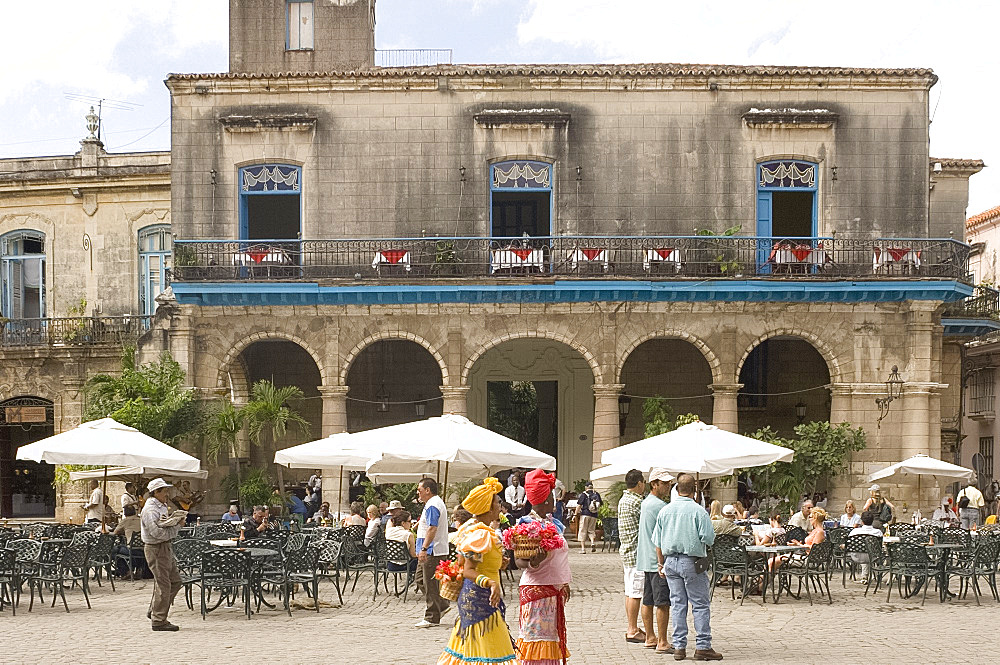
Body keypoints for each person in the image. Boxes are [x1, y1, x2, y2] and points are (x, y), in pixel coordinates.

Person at [437, 478, 514, 665]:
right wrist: (491, 583)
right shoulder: (481, 533)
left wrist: (498, 564)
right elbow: (467, 570)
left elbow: (476, 563)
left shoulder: (475, 529)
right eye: (497, 502)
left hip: (476, 597)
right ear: (488, 507)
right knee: (491, 649)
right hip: (480, 598)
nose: (499, 506)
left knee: (474, 650)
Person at [653, 473, 721, 661]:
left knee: (677, 604)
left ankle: (679, 647)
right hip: (692, 561)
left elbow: (657, 541)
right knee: (700, 604)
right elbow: (708, 538)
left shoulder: (665, 511)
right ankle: (703, 646)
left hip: (670, 562)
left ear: (676, 489)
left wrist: (661, 564)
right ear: (694, 490)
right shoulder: (699, 511)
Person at [514, 468, 571, 664]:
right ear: (546, 499)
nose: (555, 499)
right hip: (538, 593)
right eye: (553, 496)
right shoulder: (528, 525)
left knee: (547, 644)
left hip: (551, 592)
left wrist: (563, 583)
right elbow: (518, 559)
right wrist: (533, 562)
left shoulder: (551, 523)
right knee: (537, 644)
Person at [141, 477, 186, 631]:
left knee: (175, 581)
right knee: (163, 584)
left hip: (164, 547)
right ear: (156, 492)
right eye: (164, 491)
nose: (167, 493)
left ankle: (156, 610)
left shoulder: (160, 506)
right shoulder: (150, 510)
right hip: (156, 548)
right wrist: (176, 528)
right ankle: (159, 619)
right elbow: (156, 533)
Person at [637, 469, 672, 654]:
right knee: (662, 602)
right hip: (656, 560)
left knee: (648, 600)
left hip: (645, 558)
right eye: (664, 483)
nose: (668, 486)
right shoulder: (659, 506)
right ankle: (663, 641)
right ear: (654, 484)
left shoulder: (646, 503)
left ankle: (651, 637)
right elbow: (663, 536)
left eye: (668, 483)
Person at [617, 469, 646, 645]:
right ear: (640, 483)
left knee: (629, 592)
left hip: (627, 551)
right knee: (636, 593)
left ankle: (632, 626)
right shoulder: (637, 502)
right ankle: (632, 630)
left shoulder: (623, 500)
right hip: (636, 553)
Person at [416, 478, 450, 629]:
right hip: (430, 549)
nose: (418, 493)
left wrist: (424, 548)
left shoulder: (433, 505)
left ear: (427, 490)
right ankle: (441, 604)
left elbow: (432, 528)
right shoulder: (432, 504)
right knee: (420, 579)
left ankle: (432, 616)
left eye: (420, 490)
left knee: (429, 583)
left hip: (432, 549)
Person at [847, 510, 883, 580]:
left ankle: (864, 576)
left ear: (862, 521)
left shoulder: (854, 531)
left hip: (856, 557)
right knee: (868, 551)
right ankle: (876, 575)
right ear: (872, 521)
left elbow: (849, 543)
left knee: (864, 550)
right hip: (873, 558)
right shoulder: (878, 532)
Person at [385, 510, 419, 575]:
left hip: (391, 565)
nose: (411, 523)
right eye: (409, 521)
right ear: (403, 523)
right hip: (405, 565)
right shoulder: (408, 535)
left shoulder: (389, 531)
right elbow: (413, 555)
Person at [112, 505, 141, 577]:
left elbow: (115, 533)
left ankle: (126, 571)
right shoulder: (141, 520)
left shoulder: (125, 521)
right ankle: (138, 569)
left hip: (131, 549)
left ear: (124, 514)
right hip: (144, 548)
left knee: (114, 550)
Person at [575, 481, 602, 554]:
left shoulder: (584, 494)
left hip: (585, 514)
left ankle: (583, 549)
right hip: (594, 515)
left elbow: (579, 505)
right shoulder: (597, 494)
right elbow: (600, 504)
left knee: (582, 530)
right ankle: (592, 543)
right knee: (591, 530)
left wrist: (575, 514)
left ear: (586, 487)